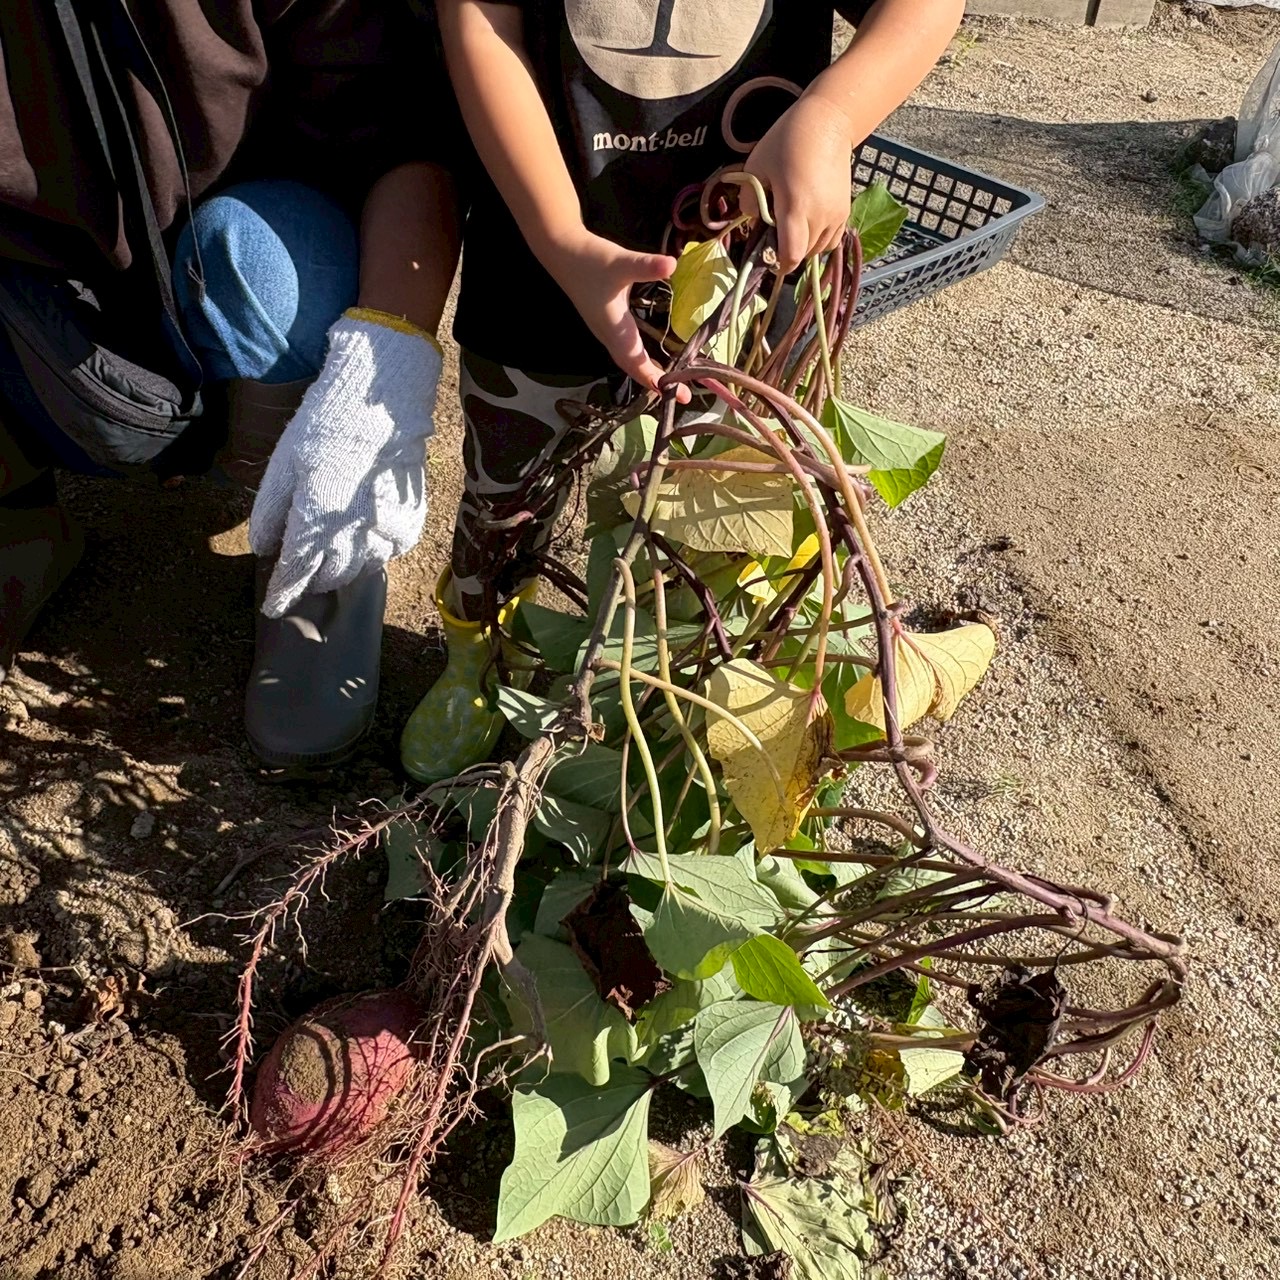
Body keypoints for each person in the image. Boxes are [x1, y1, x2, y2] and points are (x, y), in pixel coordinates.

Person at [399, 0, 965, 782]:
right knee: (506, 491)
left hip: (742, 292)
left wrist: (831, 117)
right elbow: (482, 21)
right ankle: (479, 654)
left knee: (716, 512)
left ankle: (676, 684)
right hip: (541, 262)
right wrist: (563, 242)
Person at [0, 2, 464, 768]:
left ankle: (310, 546)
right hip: (32, 282)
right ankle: (16, 522)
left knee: (274, 265)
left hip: (224, 240)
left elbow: (410, 134)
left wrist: (386, 365)